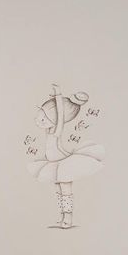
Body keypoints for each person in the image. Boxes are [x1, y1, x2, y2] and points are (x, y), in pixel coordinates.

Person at [27, 85, 104, 228]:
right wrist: (54, 101)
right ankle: (63, 216)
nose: (39, 121)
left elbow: (60, 115)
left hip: (63, 163)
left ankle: (68, 219)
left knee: (65, 191)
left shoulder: (56, 129)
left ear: (56, 121)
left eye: (44, 119)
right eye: (40, 115)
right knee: (59, 191)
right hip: (54, 163)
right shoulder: (49, 129)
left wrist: (58, 95)